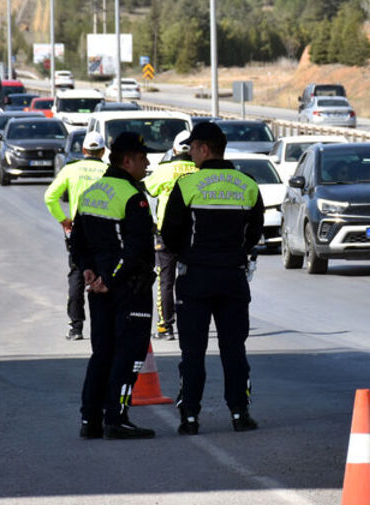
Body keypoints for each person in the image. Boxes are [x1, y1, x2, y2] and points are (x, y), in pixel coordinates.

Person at [161, 122, 265, 436]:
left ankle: (190, 417)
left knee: (192, 351)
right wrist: (234, 253)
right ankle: (239, 414)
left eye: (192, 147)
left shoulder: (188, 185)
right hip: (232, 277)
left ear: (205, 149)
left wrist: (191, 254)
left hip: (195, 278)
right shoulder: (246, 183)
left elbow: (169, 233)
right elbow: (254, 231)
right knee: (234, 349)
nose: (190, 153)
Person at [69, 132, 158, 440]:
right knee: (129, 354)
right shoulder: (134, 197)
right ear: (126, 160)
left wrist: (90, 271)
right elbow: (135, 249)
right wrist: (110, 277)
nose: (147, 163)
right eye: (143, 158)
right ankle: (116, 419)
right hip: (128, 289)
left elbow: (77, 242)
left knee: (102, 353)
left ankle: (89, 421)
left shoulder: (92, 192)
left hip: (98, 289)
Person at [43, 132, 109, 341]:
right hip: (103, 231)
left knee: (77, 276)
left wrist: (63, 219)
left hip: (78, 231)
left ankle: (76, 326)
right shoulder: (108, 171)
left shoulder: (71, 169)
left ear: (83, 150)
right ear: (103, 151)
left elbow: (50, 196)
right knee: (103, 276)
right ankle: (103, 324)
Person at [142, 131, 197, 341]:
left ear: (174, 150)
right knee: (191, 280)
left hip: (166, 233)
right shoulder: (199, 170)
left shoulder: (164, 170)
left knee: (165, 281)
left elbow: (149, 190)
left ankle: (166, 327)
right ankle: (190, 322)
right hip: (193, 233)